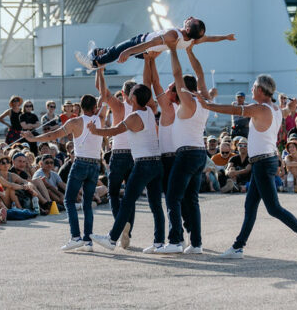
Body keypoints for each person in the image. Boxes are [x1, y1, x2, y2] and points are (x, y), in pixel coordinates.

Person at [195, 73, 297, 259]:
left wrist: (207, 105)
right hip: (264, 161)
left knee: (273, 208)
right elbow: (286, 111)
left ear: (261, 91)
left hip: (263, 163)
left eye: (254, 87)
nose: (251, 89)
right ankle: (238, 247)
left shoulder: (259, 108)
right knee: (251, 205)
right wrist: (290, 107)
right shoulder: (275, 108)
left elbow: (234, 110)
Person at [89, 81, 166, 254]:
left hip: (143, 163)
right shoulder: (149, 111)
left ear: (135, 98)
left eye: (131, 94)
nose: (128, 96)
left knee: (127, 201)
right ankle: (159, 242)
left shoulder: (134, 116)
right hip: (156, 162)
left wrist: (96, 131)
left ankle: (111, 238)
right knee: (155, 205)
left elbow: (114, 131)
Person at [22, 89, 104, 251]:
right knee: (87, 203)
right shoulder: (100, 118)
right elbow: (103, 96)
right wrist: (100, 72)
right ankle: (87, 241)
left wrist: (33, 138)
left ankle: (76, 237)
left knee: (69, 200)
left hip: (81, 162)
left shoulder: (75, 122)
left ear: (79, 107)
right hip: (95, 164)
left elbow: (53, 135)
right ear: (95, 107)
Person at [156, 46, 212, 254]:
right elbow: (200, 73)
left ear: (183, 89)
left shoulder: (188, 101)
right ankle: (196, 244)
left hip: (187, 153)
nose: (172, 89)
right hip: (199, 152)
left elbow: (178, 74)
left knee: (173, 197)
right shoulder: (203, 99)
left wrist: (173, 50)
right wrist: (189, 51)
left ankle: (175, 241)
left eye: (174, 88)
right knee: (191, 199)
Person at [75, 16, 233, 69]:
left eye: (190, 21)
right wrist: (225, 37)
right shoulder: (192, 40)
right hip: (148, 50)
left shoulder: (173, 34)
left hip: (143, 44)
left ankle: (94, 63)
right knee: (114, 49)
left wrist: (129, 52)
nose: (189, 18)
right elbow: (210, 38)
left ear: (187, 27)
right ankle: (97, 52)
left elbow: (151, 44)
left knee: (118, 51)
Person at [96, 70, 137, 249]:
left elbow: (101, 90)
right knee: (130, 195)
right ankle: (128, 229)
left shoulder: (119, 106)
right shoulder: (139, 108)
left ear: (123, 93)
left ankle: (121, 227)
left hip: (120, 152)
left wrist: (100, 70)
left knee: (113, 193)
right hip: (135, 153)